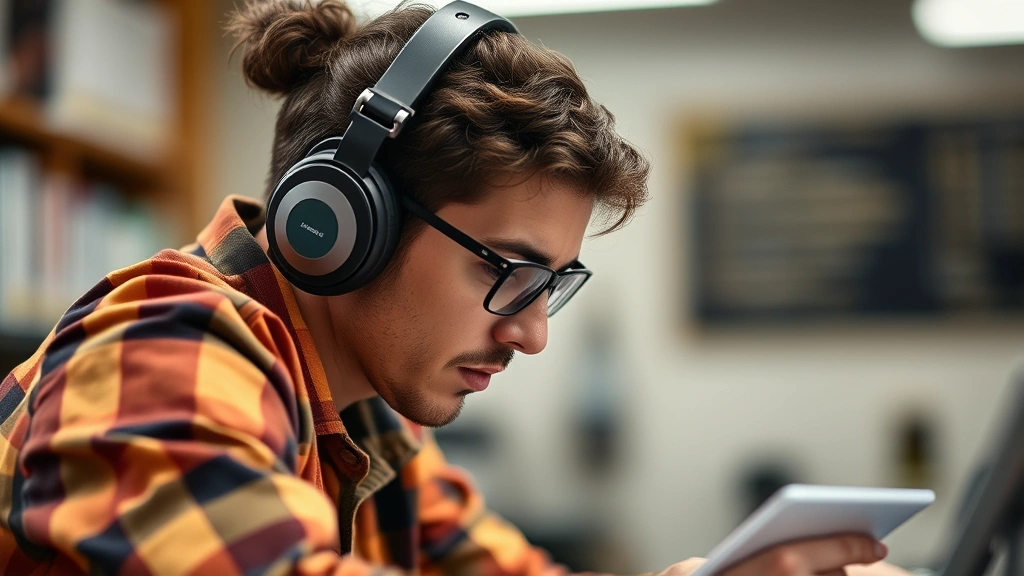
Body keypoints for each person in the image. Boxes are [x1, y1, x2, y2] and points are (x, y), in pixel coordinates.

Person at [0, 1, 910, 575]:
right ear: (340, 224)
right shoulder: (165, 338)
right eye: (506, 271)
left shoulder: (364, 421)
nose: (532, 336)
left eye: (551, 284)